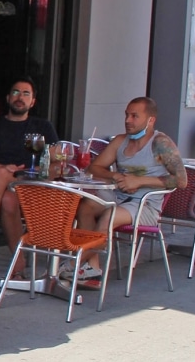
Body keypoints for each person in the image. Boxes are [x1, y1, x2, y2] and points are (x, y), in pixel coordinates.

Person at [71, 97, 187, 286]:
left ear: (150, 120)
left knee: (108, 217)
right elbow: (94, 168)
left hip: (145, 205)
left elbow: (181, 180)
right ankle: (92, 269)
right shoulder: (120, 141)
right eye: (126, 115)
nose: (127, 120)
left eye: (134, 116)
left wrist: (139, 181)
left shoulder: (161, 143)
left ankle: (71, 265)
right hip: (119, 196)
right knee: (86, 207)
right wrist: (115, 175)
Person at [0, 77, 59, 266]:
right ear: (8, 98)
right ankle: (18, 264)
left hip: (32, 189)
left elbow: (57, 163)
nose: (20, 97)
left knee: (4, 185)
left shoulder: (42, 127)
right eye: (16, 92)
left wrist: (31, 171)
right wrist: (0, 168)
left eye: (26, 94)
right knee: (5, 190)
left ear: (32, 102)